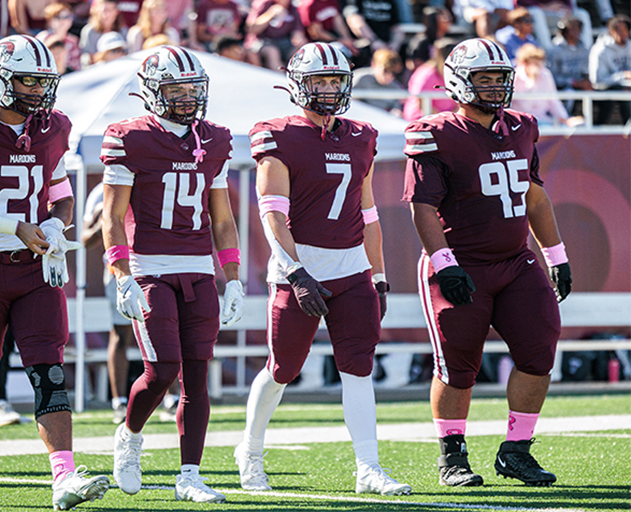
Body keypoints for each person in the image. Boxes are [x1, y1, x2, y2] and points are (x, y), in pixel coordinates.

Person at [0, 35, 108, 510]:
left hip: (34, 268)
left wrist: (53, 222)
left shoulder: (53, 127)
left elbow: (61, 192)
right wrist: (16, 226)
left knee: (50, 373)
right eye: (27, 80)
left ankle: (63, 478)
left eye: (43, 81)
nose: (36, 91)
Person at [234, 41, 409, 497]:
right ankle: (249, 452)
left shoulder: (360, 134)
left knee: (358, 367)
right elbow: (271, 212)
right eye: (320, 80)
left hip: (351, 266)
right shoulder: (278, 133)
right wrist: (294, 271)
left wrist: (378, 274)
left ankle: (368, 467)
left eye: (336, 80)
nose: (329, 89)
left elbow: (368, 212)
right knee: (283, 368)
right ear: (297, 84)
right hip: (301, 266)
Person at [402, 37, 572, 487]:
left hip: (516, 262)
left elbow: (533, 195)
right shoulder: (433, 132)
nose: (496, 87)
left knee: (539, 351)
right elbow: (421, 206)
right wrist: (444, 262)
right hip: (461, 263)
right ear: (459, 81)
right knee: (458, 367)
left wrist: (556, 255)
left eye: (501, 78)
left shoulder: (522, 125)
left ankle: (516, 451)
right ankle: (452, 457)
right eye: (485, 79)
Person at [103, 45, 244, 504]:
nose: (187, 98)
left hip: (198, 267)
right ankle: (130, 435)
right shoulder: (130, 137)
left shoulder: (214, 139)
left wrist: (234, 276)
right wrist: (122, 273)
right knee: (162, 369)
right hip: (148, 266)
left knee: (198, 374)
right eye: (175, 89)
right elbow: (112, 215)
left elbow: (222, 218)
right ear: (150, 92)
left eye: (192, 89)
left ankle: (190, 474)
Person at [81, 181, 134, 424]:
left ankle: (171, 396)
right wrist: (105, 221)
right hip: (117, 269)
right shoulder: (100, 191)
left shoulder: (148, 176)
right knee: (120, 335)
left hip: (150, 264)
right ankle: (119, 402)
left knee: (161, 332)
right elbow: (86, 239)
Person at [511, 44, 570, 126]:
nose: (538, 65)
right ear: (524, 63)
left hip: (542, 121)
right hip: (519, 123)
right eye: (534, 62)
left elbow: (553, 101)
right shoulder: (515, 76)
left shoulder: (546, 74)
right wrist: (532, 80)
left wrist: (564, 118)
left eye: (539, 62)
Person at [588, 15, 631, 125]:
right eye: (617, 30)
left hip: (626, 86)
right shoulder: (600, 50)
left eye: (624, 30)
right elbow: (597, 81)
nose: (621, 33)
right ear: (611, 31)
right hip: (605, 89)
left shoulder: (629, 46)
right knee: (622, 92)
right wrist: (623, 76)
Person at [403, 38, 458, 121]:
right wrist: (442, 119)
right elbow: (421, 102)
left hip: (447, 122)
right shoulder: (426, 74)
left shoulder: (456, 75)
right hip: (420, 122)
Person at [244, 0, 307, 71]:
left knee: (302, 51)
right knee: (273, 53)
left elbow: (297, 30)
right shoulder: (263, 3)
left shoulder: (292, 8)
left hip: (283, 41)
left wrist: (298, 38)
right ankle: (280, 77)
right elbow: (251, 28)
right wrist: (270, 14)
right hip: (261, 41)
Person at [547, 16, 592, 113]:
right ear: (564, 30)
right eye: (573, 28)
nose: (576, 31)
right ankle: (566, 120)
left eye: (578, 28)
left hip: (579, 84)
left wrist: (586, 82)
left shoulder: (583, 49)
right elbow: (553, 77)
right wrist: (573, 82)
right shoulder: (554, 50)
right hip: (562, 86)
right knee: (570, 93)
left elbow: (585, 71)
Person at [352, 48, 405, 116]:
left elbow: (396, 110)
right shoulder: (359, 78)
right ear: (373, 65)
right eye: (386, 70)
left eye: (393, 72)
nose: (389, 76)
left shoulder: (396, 87)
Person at [36, 3, 81, 73]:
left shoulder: (74, 41)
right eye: (57, 17)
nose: (62, 21)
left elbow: (76, 67)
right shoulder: (42, 38)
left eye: (66, 17)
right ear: (49, 21)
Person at [79, 0, 126, 67]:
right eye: (104, 10)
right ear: (96, 11)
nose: (107, 15)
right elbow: (85, 59)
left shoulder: (123, 31)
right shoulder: (89, 31)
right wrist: (103, 56)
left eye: (110, 10)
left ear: (117, 11)